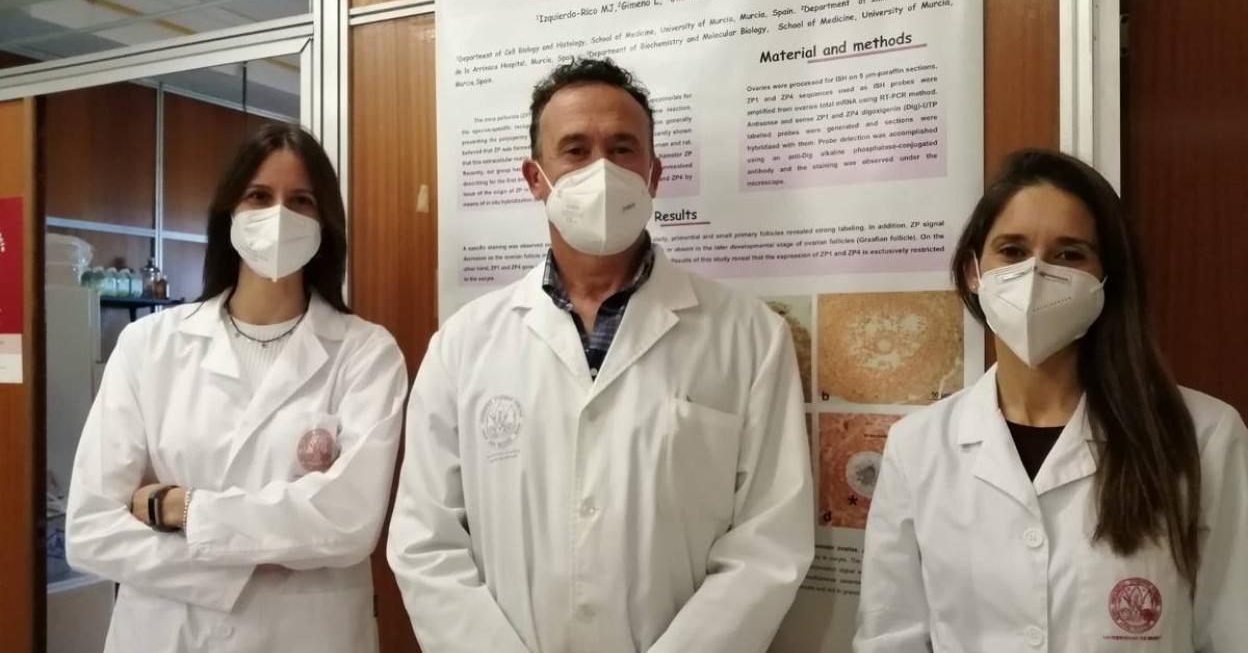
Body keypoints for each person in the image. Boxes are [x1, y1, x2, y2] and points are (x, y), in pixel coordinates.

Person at [387, 57, 815, 653]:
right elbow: (425, 540)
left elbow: (768, 543)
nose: (603, 169)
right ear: (535, 177)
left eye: (622, 148)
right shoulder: (462, 344)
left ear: (653, 174)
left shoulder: (749, 336)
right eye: (575, 150)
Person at [855, 149, 1248, 652]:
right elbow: (891, 637)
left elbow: (1232, 630)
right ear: (974, 270)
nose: (1035, 275)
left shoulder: (1203, 437)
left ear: (1106, 279)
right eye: (1012, 251)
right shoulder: (917, 446)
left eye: (1069, 255)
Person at [66, 124, 408, 652]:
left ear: (325, 222)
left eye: (301, 201)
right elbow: (90, 529)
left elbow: (349, 521)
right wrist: (248, 561)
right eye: (259, 196)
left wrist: (182, 509)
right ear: (228, 212)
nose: (279, 216)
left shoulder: (366, 353)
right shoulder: (148, 345)